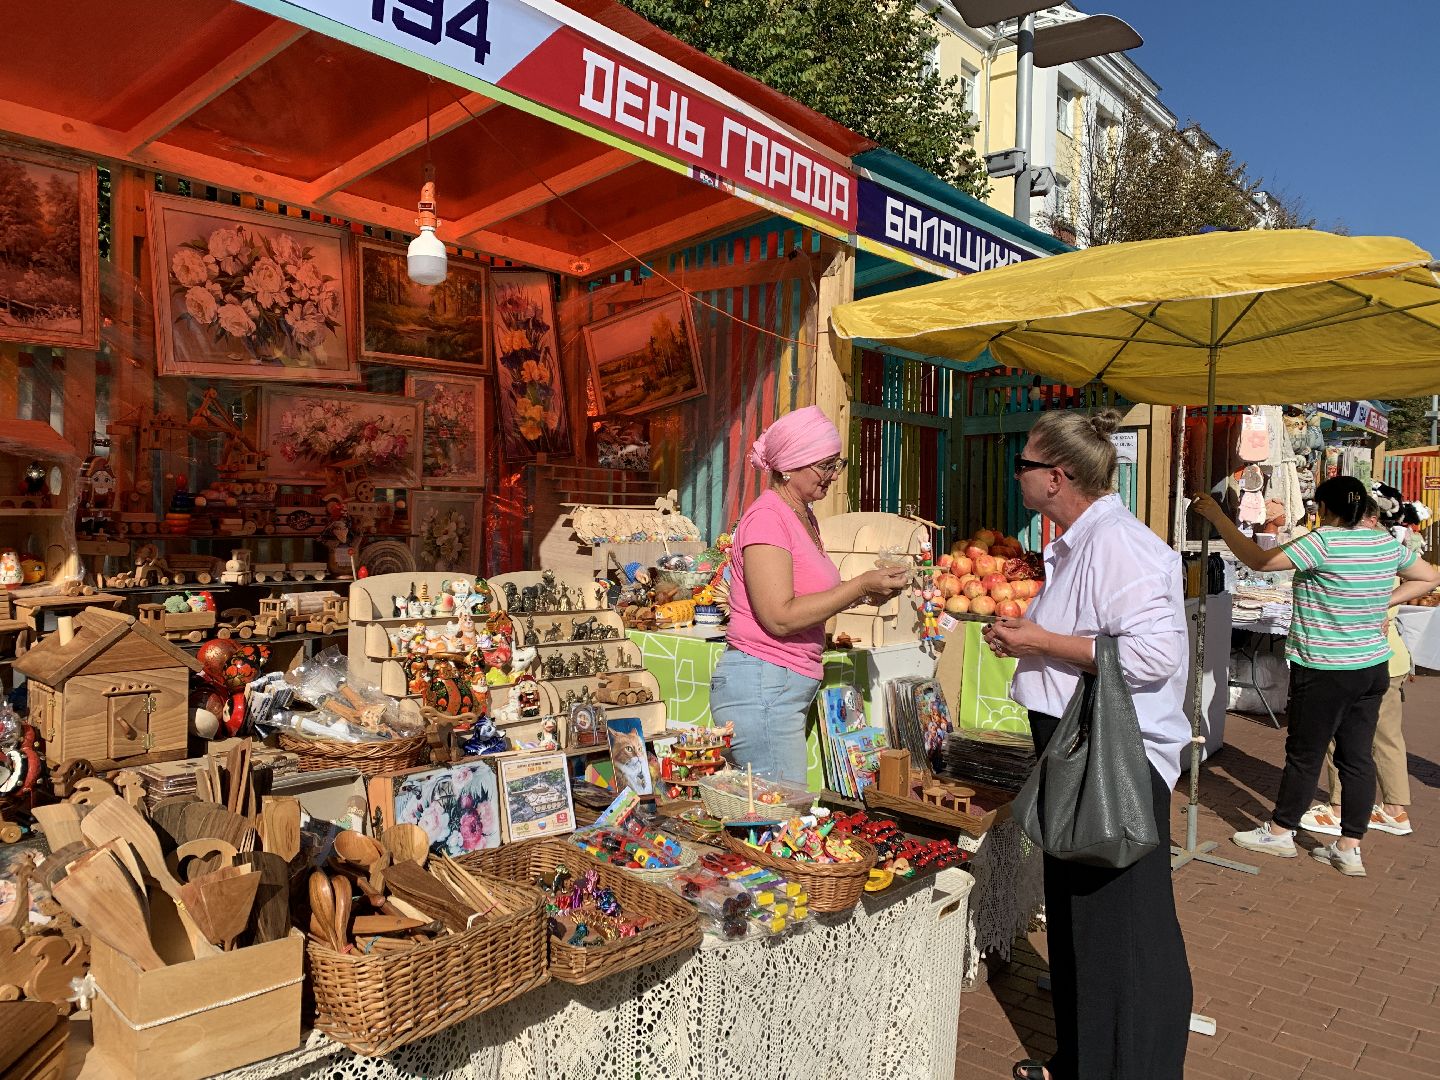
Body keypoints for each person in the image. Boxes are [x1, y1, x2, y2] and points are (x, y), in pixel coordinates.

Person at [983, 408, 1192, 1080]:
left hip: (1113, 753)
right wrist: (1028, 636)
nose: (1017, 475)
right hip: (1080, 747)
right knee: (1080, 920)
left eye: (1025, 465)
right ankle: (1082, 1059)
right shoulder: (1080, 541)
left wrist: (1038, 641)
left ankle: (1127, 1065)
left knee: (1120, 926)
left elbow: (1152, 656)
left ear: (1057, 477)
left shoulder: (1119, 545)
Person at [1192, 477, 1439, 877]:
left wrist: (1219, 517)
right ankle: (1349, 847)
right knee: (1356, 757)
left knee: (1304, 754)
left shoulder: (1323, 540)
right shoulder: (1384, 543)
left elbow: (1259, 561)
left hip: (1325, 666)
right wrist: (1380, 602)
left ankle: (1280, 831)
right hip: (1371, 666)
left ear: (1326, 508)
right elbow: (1428, 577)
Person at [709, 406, 910, 784]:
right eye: (824, 466)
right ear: (789, 466)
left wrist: (864, 595)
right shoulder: (768, 518)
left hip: (778, 684)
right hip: (763, 684)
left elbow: (807, 597)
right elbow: (779, 616)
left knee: (776, 818)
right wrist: (859, 586)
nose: (833, 476)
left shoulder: (802, 514)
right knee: (778, 819)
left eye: (837, 464)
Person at [1300, 499, 1417, 839]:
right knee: (1386, 738)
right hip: (1388, 660)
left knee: (1345, 738)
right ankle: (1395, 809)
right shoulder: (1387, 549)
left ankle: (1339, 808)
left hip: (1362, 659)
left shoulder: (1370, 551)